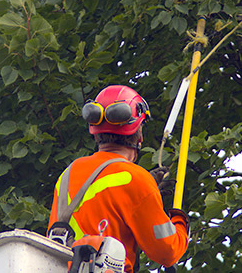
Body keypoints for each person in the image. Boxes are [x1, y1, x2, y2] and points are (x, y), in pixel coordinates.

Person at [47, 85, 189, 272]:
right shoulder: (136, 180)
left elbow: (102, 203)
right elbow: (167, 252)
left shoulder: (68, 174)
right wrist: (179, 222)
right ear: (139, 135)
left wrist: (146, 190)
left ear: (95, 131)